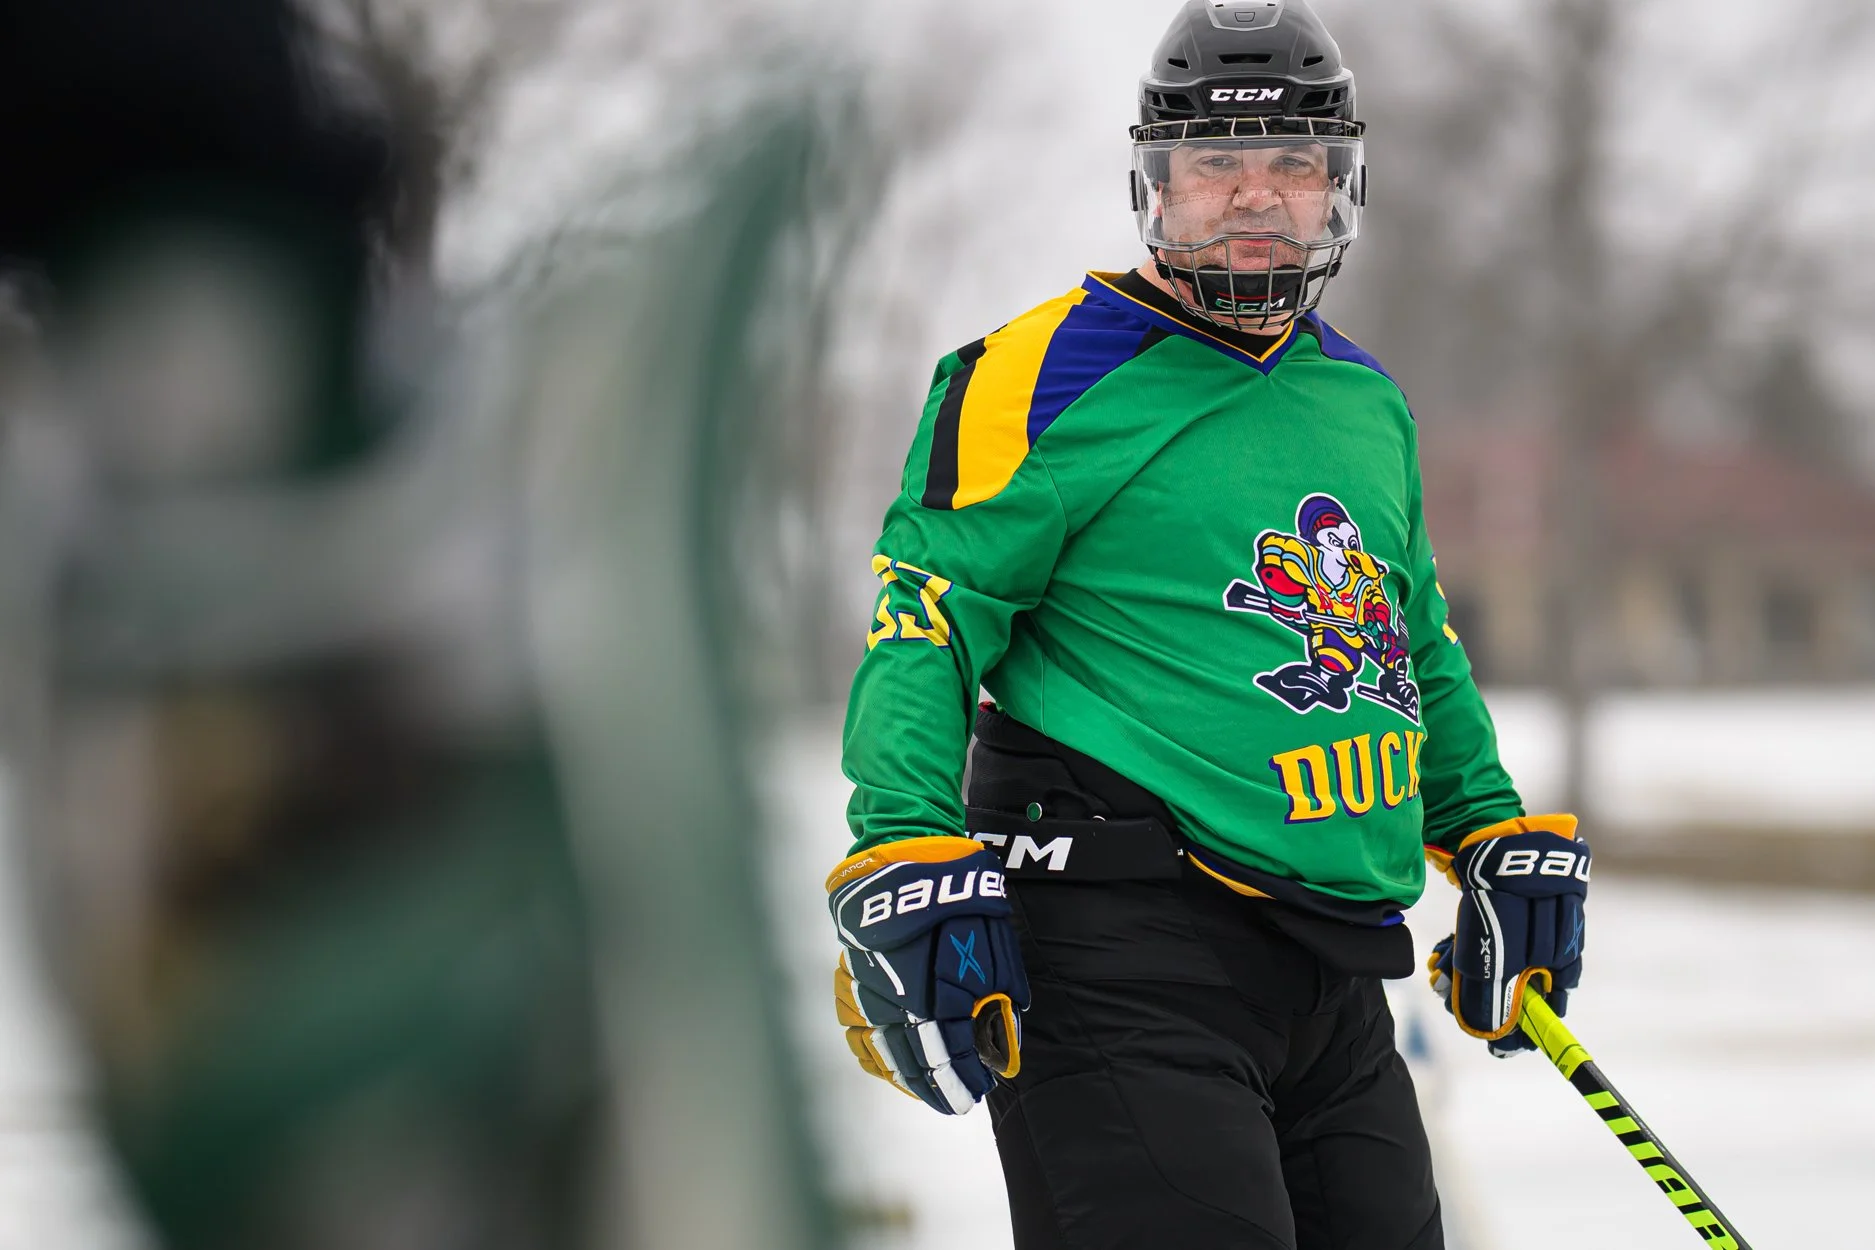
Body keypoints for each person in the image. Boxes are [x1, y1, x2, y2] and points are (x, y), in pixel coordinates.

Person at [826, 2, 1590, 1247]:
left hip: (1335, 972)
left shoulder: (1363, 398)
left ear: (1340, 185)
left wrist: (1489, 829)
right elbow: (928, 613)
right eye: (1215, 161)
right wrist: (900, 841)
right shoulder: (1037, 374)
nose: (1255, 195)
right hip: (1120, 958)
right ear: (1156, 183)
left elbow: (1412, 644)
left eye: (1294, 163)